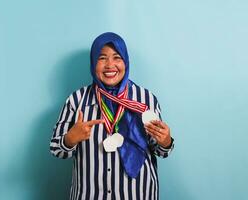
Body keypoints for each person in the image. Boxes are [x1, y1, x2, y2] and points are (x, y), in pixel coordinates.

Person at [50, 32, 174, 200]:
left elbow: (161, 151)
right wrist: (70, 139)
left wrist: (165, 141)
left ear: (126, 61)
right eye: (102, 58)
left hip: (139, 194)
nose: (110, 65)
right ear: (93, 63)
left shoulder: (146, 100)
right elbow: (56, 150)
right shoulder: (76, 101)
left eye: (117, 57)